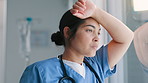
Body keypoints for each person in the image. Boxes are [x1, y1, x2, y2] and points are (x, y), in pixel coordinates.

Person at [20, 0, 134, 83]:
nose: (97, 38)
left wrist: (96, 11)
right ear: (68, 32)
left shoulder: (96, 65)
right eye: (89, 30)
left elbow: (127, 37)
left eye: (98, 32)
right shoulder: (40, 71)